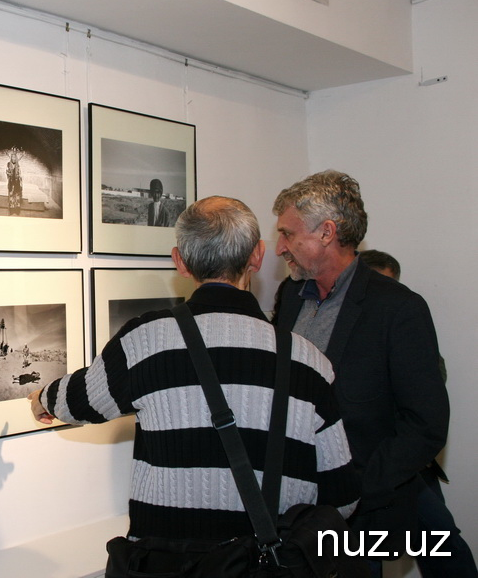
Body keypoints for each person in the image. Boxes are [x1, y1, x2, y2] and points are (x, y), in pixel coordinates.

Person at [29, 196, 360, 554]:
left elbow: (80, 401)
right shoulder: (310, 361)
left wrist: (42, 398)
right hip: (271, 564)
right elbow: (342, 497)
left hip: (168, 561)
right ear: (257, 256)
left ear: (181, 262)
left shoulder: (146, 341)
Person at [271, 171, 450, 575]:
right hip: (293, 509)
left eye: (287, 234)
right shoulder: (291, 296)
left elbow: (426, 424)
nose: (280, 247)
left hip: (362, 513)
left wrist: (357, 487)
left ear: (327, 232)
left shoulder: (398, 309)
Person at [358, 249, 477, 578]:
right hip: (367, 465)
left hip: (408, 465)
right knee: (365, 555)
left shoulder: (404, 323)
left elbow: (432, 383)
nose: (387, 294)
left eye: (393, 285)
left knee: (444, 544)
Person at [6, 147, 23, 215]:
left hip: (17, 182)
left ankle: (17, 210)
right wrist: (10, 174)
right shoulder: (8, 164)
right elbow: (7, 172)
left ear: (16, 158)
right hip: (11, 182)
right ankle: (11, 210)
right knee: (11, 195)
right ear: (11, 158)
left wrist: (20, 182)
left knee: (17, 196)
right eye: (12, 158)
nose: (13, 159)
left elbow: (20, 174)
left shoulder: (18, 165)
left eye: (15, 158)